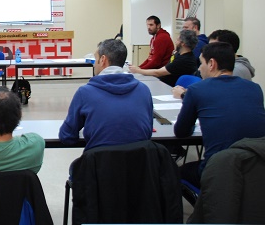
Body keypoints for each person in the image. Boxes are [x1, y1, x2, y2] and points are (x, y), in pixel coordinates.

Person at [174, 42, 265, 189]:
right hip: (256, 168)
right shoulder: (255, 88)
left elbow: (181, 131)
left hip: (218, 170)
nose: (199, 68)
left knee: (176, 171)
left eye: (201, 62)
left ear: (211, 64)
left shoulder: (197, 89)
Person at [59, 39, 153, 150]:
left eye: (95, 59)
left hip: (99, 165)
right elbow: (147, 133)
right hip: (139, 165)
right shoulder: (144, 90)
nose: (94, 64)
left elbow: (67, 136)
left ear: (103, 60)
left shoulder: (85, 93)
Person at [129, 30, 198, 87]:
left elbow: (158, 73)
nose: (176, 42)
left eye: (177, 40)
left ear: (183, 44)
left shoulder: (184, 60)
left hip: (168, 86)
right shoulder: (179, 54)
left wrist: (138, 70)